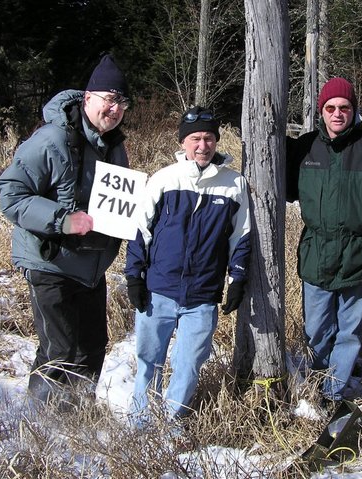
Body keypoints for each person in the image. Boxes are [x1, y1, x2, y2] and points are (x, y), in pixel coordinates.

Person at [0, 54, 131, 406]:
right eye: (109, 99)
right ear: (88, 98)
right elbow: (10, 194)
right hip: (51, 262)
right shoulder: (51, 139)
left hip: (91, 267)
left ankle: (77, 422)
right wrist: (62, 219)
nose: (115, 108)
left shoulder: (114, 146)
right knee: (60, 349)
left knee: (91, 348)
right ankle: (41, 427)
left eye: (122, 102)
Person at [125, 106, 251, 424]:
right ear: (183, 142)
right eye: (195, 138)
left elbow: (241, 236)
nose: (202, 145)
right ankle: (139, 424)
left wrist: (237, 279)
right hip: (159, 290)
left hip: (202, 295)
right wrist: (134, 277)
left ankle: (171, 423)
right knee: (148, 361)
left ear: (216, 141)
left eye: (208, 138)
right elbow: (140, 231)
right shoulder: (165, 179)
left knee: (189, 363)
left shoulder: (234, 184)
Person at [286, 77, 362, 405]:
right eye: (330, 107)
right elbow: (282, 185)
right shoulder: (305, 148)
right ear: (321, 111)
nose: (337, 113)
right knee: (317, 330)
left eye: (344, 107)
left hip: (361, 255)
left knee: (349, 333)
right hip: (317, 254)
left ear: (354, 110)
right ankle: (316, 382)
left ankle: (334, 392)